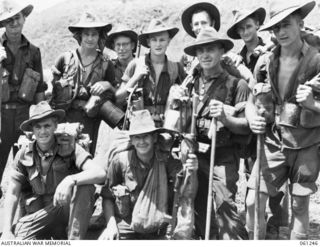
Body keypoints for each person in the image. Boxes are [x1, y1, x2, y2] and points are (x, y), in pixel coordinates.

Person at [245, 0, 320, 240]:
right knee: (252, 200)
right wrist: (251, 118)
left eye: (286, 25)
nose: (281, 32)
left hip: (306, 143)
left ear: (301, 24)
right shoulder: (265, 62)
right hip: (271, 141)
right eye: (276, 28)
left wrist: (312, 105)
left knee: (299, 205)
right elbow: (250, 98)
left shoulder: (317, 61)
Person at [173, 26, 250, 239]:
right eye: (200, 51)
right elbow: (179, 122)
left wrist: (225, 118)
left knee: (225, 208)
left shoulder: (237, 85)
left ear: (221, 52)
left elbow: (246, 127)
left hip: (223, 156)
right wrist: (178, 103)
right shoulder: (190, 83)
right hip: (196, 155)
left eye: (211, 50)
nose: (205, 55)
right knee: (198, 209)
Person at [0, 101, 107, 240]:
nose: (43, 131)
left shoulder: (69, 147)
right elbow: (13, 193)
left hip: (66, 211)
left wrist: (70, 180)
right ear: (32, 129)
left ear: (55, 125)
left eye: (47, 126)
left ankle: (74, 241)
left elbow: (100, 173)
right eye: (38, 127)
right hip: (40, 215)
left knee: (85, 187)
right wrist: (7, 230)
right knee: (19, 239)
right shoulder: (24, 154)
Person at [227, 7, 289, 239]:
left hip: (270, 125)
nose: (245, 32)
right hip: (248, 123)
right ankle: (255, 226)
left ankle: (277, 222)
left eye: (249, 26)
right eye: (241, 28)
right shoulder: (237, 56)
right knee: (251, 172)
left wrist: (243, 71)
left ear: (257, 27)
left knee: (270, 178)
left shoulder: (271, 51)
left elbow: (266, 88)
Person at [98, 110, 198, 240]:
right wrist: (111, 226)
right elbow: (107, 197)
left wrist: (192, 171)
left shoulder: (167, 160)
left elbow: (187, 193)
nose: (142, 141)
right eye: (137, 137)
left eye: (146, 136)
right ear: (131, 140)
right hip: (127, 224)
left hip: (159, 226)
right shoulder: (120, 161)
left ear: (154, 138)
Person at [50, 11, 118, 155]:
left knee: (86, 155)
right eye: (86, 34)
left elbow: (115, 96)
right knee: (62, 157)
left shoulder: (107, 64)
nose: (90, 38)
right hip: (65, 117)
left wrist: (108, 85)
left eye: (94, 34)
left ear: (100, 36)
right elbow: (51, 94)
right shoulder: (64, 59)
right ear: (79, 35)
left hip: (90, 120)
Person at [0, 0, 47, 199]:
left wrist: (42, 118)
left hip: (25, 116)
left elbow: (39, 90)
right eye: (8, 20)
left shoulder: (34, 52)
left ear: (24, 19)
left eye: (17, 18)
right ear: (2, 24)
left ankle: (25, 219)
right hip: (1, 117)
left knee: (27, 167)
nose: (13, 23)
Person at [115, 19, 185, 127]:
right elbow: (118, 98)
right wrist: (136, 77)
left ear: (168, 41)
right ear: (148, 42)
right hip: (140, 126)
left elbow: (186, 97)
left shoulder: (176, 68)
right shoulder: (135, 65)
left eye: (162, 40)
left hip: (166, 127)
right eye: (154, 40)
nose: (158, 44)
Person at [105, 26, 138, 92]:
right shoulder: (109, 67)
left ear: (132, 46)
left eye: (125, 44)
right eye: (118, 45)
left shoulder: (141, 66)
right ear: (113, 47)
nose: (121, 48)